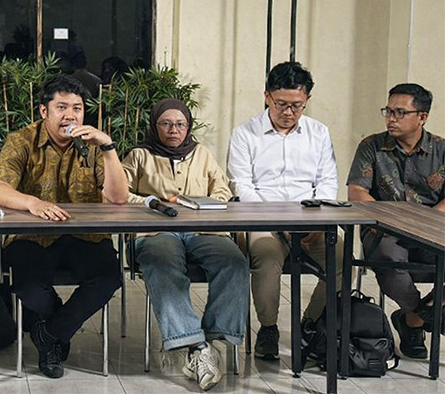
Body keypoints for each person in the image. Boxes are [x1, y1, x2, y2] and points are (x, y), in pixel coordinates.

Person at [0, 74, 127, 379]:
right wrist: (32, 203)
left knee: (108, 277)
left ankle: (49, 335)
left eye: (77, 108)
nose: (70, 116)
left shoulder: (93, 145)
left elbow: (118, 198)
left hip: (85, 236)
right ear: (44, 111)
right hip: (32, 235)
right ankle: (57, 332)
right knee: (28, 286)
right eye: (61, 107)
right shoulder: (21, 140)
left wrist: (108, 147)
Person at [122, 98, 249, 391]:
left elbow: (222, 189)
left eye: (180, 124)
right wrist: (152, 202)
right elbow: (118, 193)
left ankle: (212, 340)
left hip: (203, 230)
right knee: (162, 263)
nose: (173, 130)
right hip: (155, 231)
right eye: (166, 124)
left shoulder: (201, 153)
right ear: (155, 126)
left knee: (234, 262)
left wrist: (202, 203)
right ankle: (195, 346)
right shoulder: (139, 155)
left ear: (188, 127)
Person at [227, 61, 343, 360]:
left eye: (297, 105)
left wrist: (315, 221)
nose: (288, 112)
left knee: (343, 258)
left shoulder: (319, 132)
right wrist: (280, 222)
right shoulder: (245, 133)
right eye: (281, 104)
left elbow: (327, 182)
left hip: (310, 221)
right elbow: (241, 185)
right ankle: (268, 329)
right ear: (267, 96)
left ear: (307, 100)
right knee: (266, 257)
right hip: (263, 220)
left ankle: (310, 323)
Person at [347, 83, 445, 359]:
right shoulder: (372, 146)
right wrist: (391, 220)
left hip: (431, 229)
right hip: (384, 229)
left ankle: (413, 320)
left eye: (400, 112)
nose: (391, 118)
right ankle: (422, 315)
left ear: (422, 117)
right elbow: (357, 192)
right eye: (388, 111)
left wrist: (425, 221)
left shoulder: (442, 149)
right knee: (388, 256)